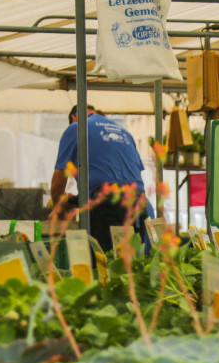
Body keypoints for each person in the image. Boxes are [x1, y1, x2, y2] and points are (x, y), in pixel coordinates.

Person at [51, 104, 150, 253]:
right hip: (138, 204)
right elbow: (117, 182)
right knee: (134, 266)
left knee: (106, 264)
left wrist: (59, 211)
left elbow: (58, 184)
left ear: (74, 117)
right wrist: (72, 202)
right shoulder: (124, 132)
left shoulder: (76, 128)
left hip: (108, 208)